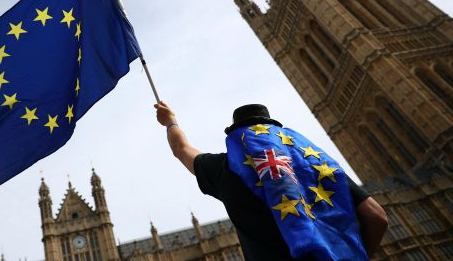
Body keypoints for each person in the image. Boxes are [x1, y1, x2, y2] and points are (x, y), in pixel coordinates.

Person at [154, 101, 388, 261]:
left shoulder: (224, 169)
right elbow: (377, 217)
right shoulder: (316, 164)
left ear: (237, 135)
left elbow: (181, 149)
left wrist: (171, 121)